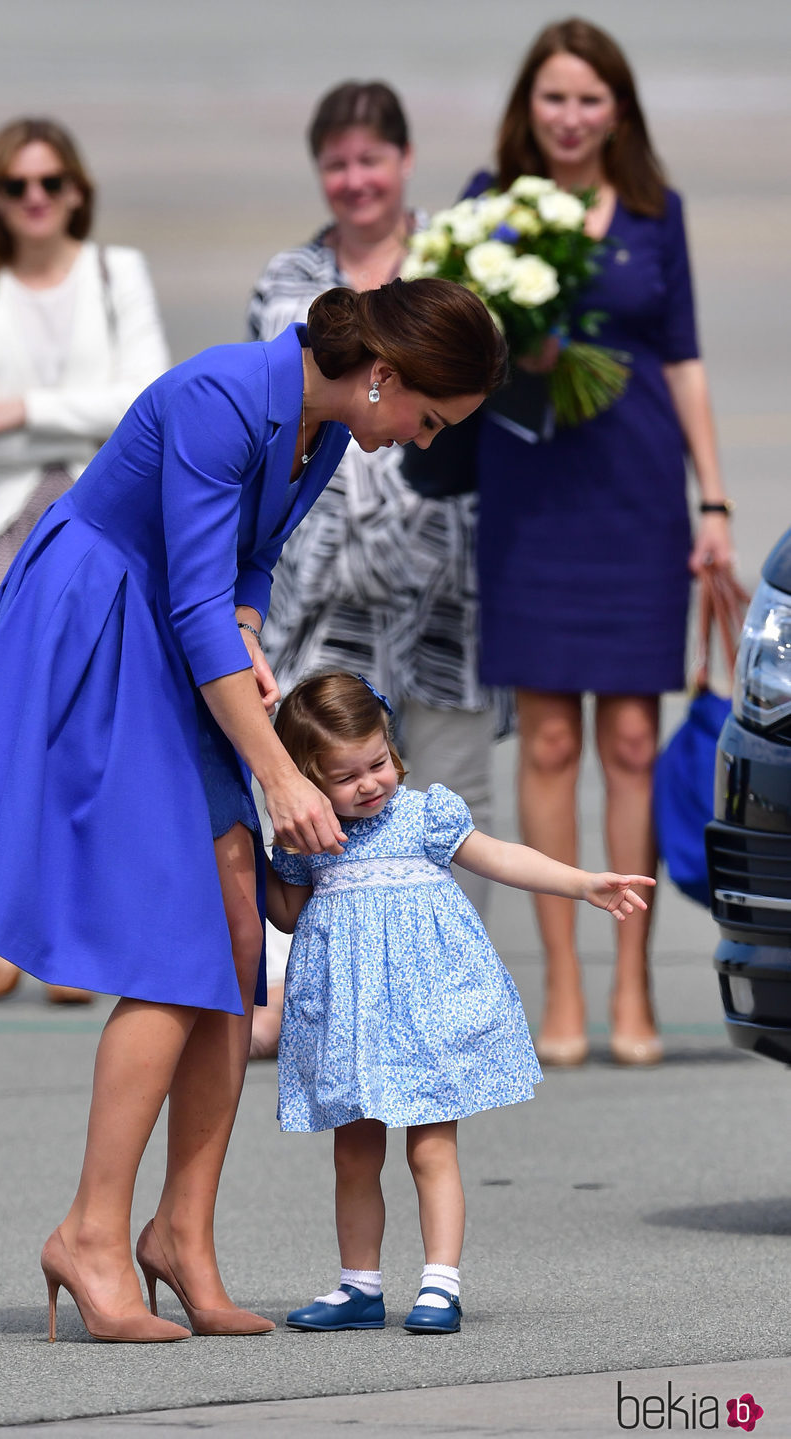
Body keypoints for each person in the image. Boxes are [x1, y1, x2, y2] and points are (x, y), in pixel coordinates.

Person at [0, 277, 508, 1343]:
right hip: (101, 621)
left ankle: (180, 1234)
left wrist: (252, 622)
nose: (417, 442)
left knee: (240, 933)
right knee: (174, 938)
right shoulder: (222, 398)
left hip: (179, 635)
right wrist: (278, 772)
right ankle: (89, 1234)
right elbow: (187, 594)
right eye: (426, 421)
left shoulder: (327, 427)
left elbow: (239, 572)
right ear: (383, 374)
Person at [465, 19, 735, 1066]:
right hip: (532, 497)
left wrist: (711, 503)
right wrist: (511, 345)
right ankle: (562, 990)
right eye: (552, 98)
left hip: (634, 494)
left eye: (588, 98)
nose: (570, 117)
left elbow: (684, 361)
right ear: (525, 108)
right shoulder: (489, 208)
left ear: (616, 108)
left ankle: (630, 985)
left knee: (628, 739)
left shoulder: (656, 215)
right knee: (545, 741)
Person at [265, 672, 654, 1333]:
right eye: (344, 775)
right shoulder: (309, 841)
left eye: (378, 762)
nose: (369, 783)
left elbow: (500, 856)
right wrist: (250, 849)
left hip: (425, 1013)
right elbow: (283, 914)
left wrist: (582, 882)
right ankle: (359, 1284)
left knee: (431, 1150)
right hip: (352, 1023)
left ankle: (440, 1283)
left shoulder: (424, 814)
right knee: (353, 1154)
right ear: (305, 779)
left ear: (393, 745)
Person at [247, 81, 499, 1056]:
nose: (354, 180)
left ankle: (442, 995)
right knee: (331, 779)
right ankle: (326, 989)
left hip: (440, 575)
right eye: (336, 163)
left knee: (439, 789)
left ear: (402, 162)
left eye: (370, 160)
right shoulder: (288, 274)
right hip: (320, 577)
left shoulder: (462, 259)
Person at [0, 116, 170, 1004]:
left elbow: (144, 398)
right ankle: (5, 933)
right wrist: (57, 412)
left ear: (77, 189)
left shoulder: (117, 273)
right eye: (16, 187)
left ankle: (72, 932)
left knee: (90, 735)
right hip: (1, 521)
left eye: (51, 183)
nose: (36, 201)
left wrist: (21, 406)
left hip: (101, 513)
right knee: (0, 734)